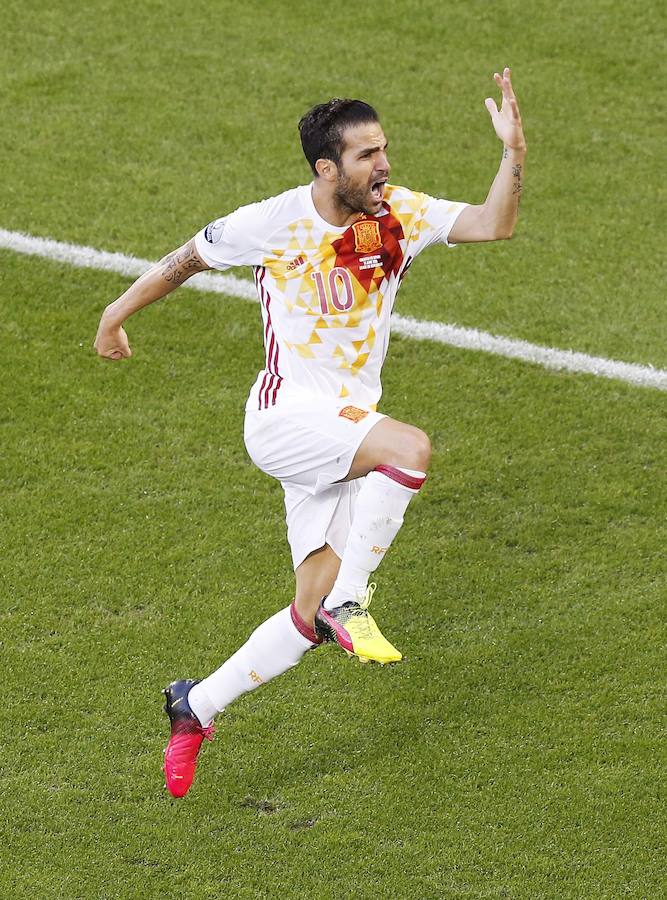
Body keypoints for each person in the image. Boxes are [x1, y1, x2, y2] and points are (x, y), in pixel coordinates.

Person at [94, 68, 526, 798]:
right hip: (285, 417)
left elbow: (494, 223)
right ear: (326, 167)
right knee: (410, 448)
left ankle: (193, 706)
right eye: (365, 155)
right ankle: (351, 598)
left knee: (304, 617)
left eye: (382, 149)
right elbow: (184, 261)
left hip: (340, 440)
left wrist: (512, 152)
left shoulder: (398, 215)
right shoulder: (274, 220)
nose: (382, 164)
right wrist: (114, 314)